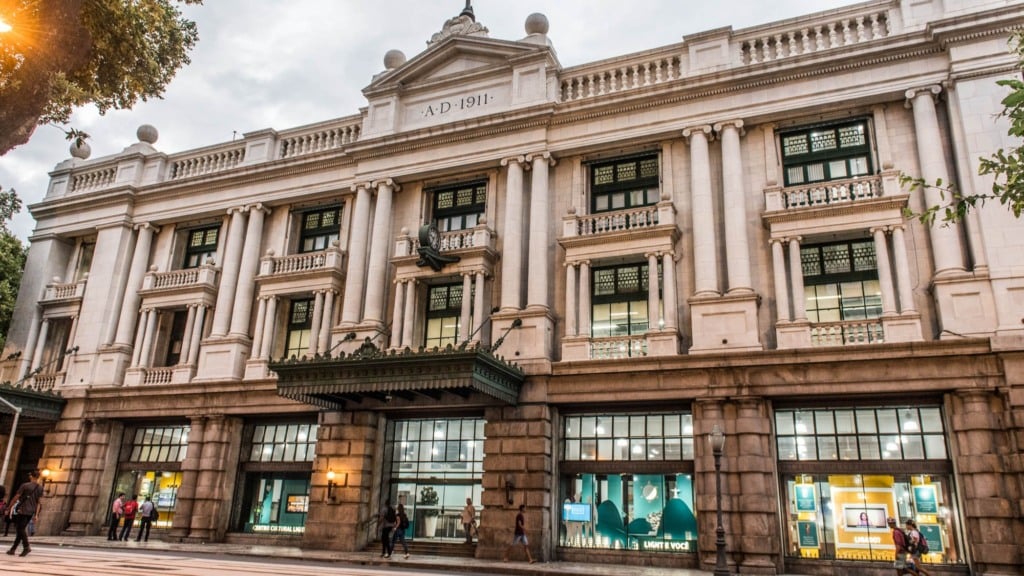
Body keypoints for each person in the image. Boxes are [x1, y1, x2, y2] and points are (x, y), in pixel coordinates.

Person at [6, 469, 43, 557]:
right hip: (31, 512)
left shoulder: (25, 485)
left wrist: (9, 507)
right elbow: (39, 502)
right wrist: (36, 515)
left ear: (31, 476)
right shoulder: (40, 487)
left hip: (22, 510)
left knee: (20, 529)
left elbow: (16, 497)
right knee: (21, 529)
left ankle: (26, 547)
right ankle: (13, 549)